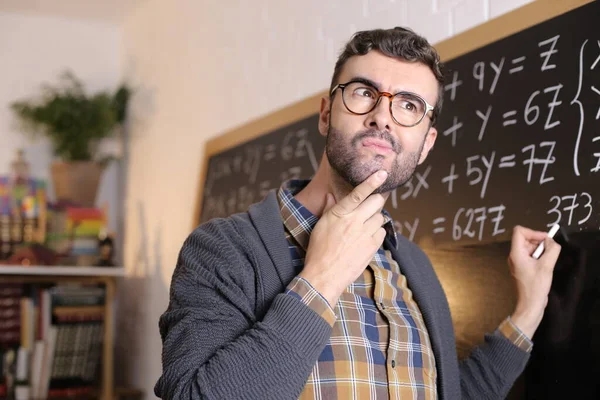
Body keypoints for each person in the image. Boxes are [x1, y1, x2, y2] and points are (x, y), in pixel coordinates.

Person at [154, 27, 561, 399]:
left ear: (427, 143)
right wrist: (320, 279)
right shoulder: (223, 249)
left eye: (409, 105)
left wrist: (529, 308)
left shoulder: (414, 266)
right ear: (327, 113)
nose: (382, 116)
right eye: (364, 92)